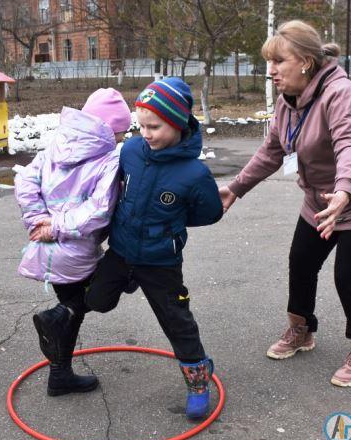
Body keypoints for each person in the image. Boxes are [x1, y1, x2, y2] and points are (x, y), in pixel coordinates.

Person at [218, 20, 351, 387]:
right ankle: (301, 330)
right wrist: (236, 188)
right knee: (301, 261)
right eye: (268, 62)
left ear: (305, 61)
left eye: (278, 62)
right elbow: (273, 150)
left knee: (350, 276)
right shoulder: (289, 101)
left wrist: (345, 190)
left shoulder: (341, 93)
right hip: (321, 197)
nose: (270, 71)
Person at [33, 77, 223, 419]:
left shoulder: (194, 174)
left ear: (178, 123)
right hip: (120, 252)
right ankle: (116, 285)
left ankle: (197, 380)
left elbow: (209, 212)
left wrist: (170, 225)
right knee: (96, 300)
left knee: (176, 321)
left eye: (155, 127)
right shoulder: (132, 151)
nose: (146, 134)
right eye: (141, 126)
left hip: (160, 262)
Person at [15, 88, 132, 396]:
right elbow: (99, 211)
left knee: (74, 306)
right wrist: (53, 226)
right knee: (102, 292)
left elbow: (25, 181)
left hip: (47, 249)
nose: (121, 140)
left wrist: (38, 221)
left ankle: (60, 374)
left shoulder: (57, 144)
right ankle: (58, 331)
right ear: (111, 129)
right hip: (75, 248)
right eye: (120, 134)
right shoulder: (108, 159)